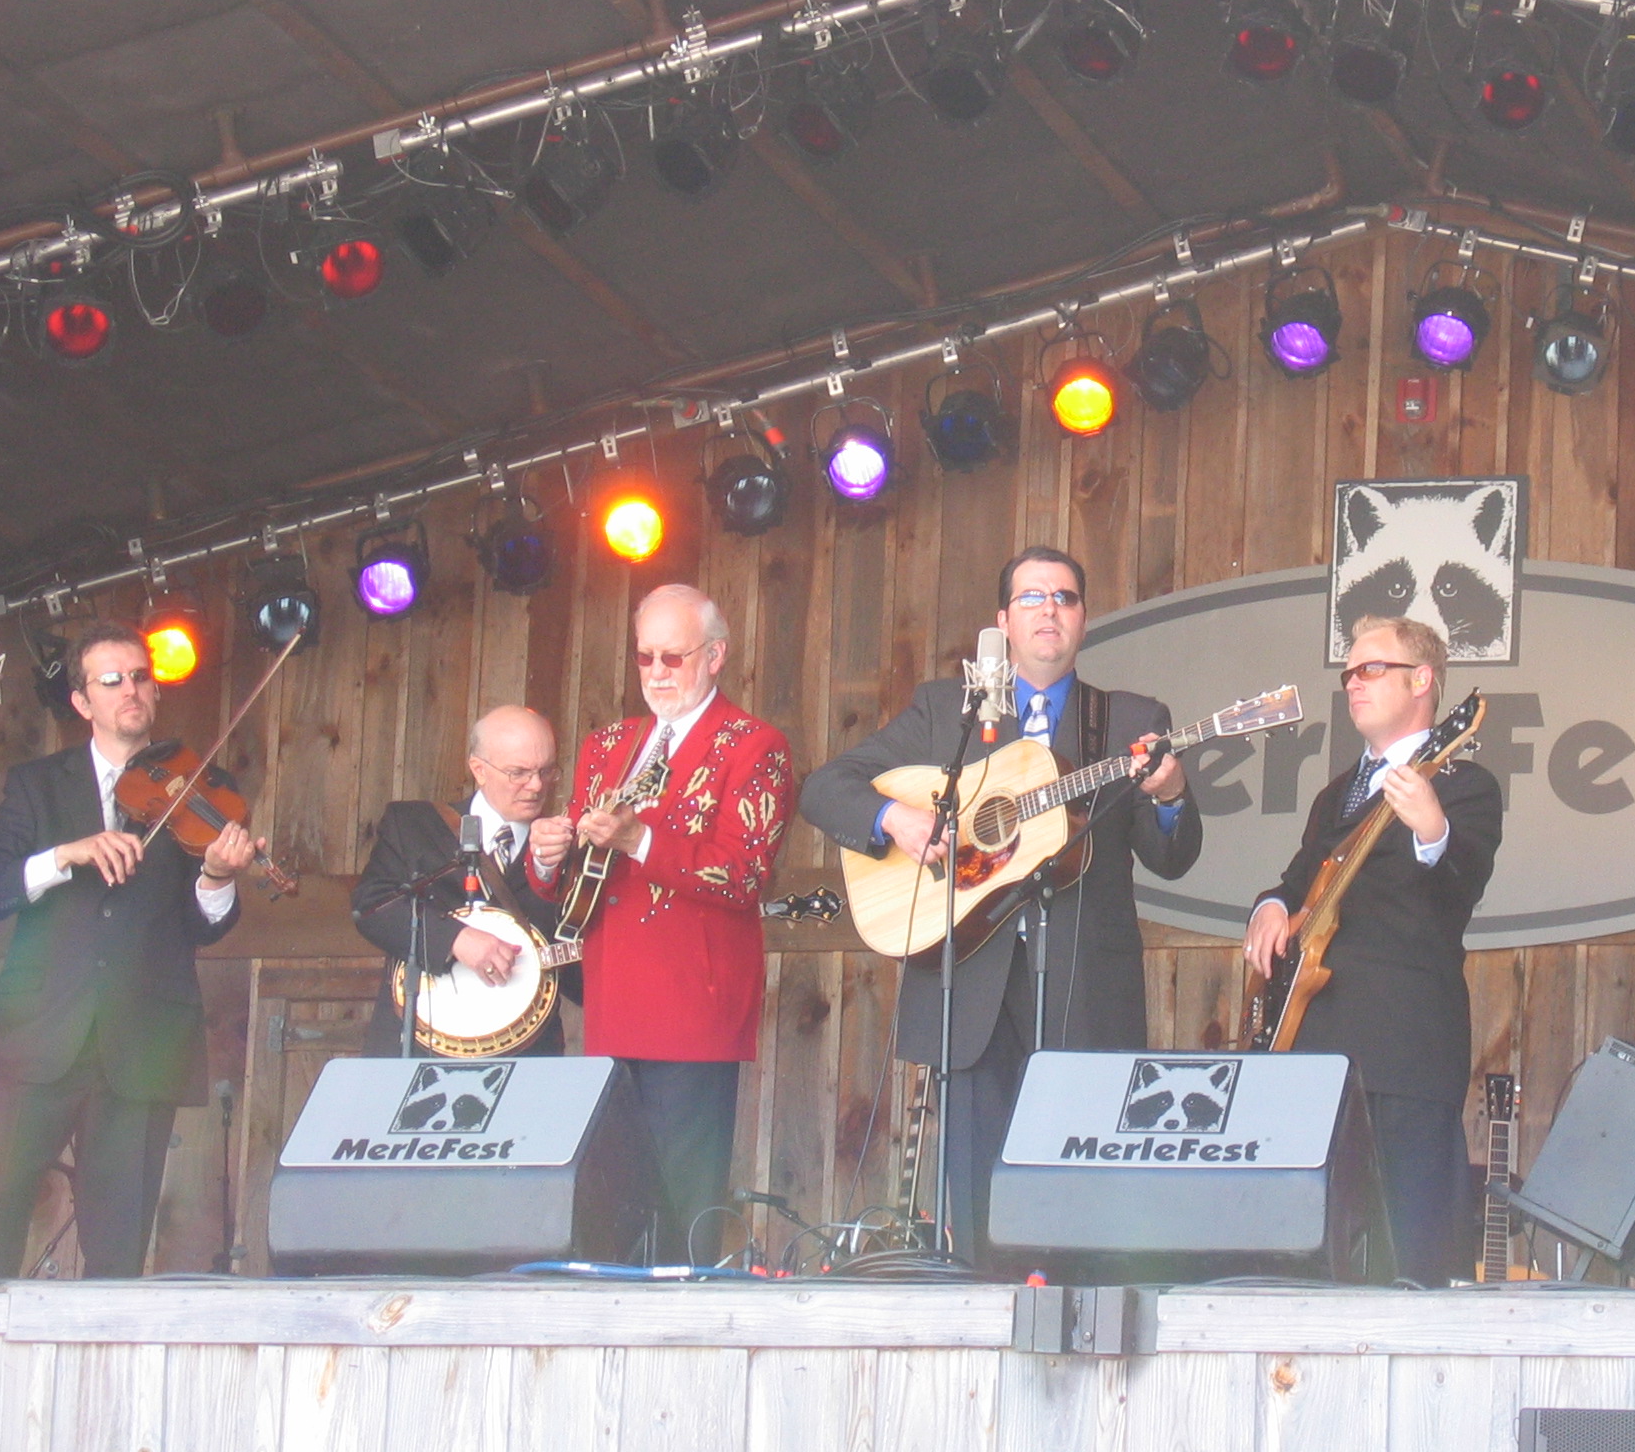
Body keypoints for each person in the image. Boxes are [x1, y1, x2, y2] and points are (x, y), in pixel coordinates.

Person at [799, 546, 1202, 1259]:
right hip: (970, 984)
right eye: (1033, 598)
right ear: (1003, 622)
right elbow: (826, 787)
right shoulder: (944, 712)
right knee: (977, 1210)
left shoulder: (1130, 718)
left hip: (1083, 984)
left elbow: (1171, 856)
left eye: (1066, 598)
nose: (1051, 610)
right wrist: (896, 820)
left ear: (1083, 618)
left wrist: (1170, 798)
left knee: (1081, 1201)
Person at [0, 622, 255, 1278]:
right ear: (81, 701)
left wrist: (217, 876)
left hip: (140, 1043)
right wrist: (66, 854)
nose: (132, 690)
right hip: (37, 1038)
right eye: (113, 680)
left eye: (142, 677)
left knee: (118, 1252)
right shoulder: (37, 785)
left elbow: (204, 925)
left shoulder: (196, 789)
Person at [527, 584, 793, 1263]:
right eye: (645, 657)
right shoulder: (607, 743)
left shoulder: (753, 745)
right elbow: (579, 886)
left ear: (715, 657)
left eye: (672, 657)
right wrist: (547, 857)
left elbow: (743, 872)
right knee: (609, 1207)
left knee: (683, 1213)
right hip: (614, 999)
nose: (656, 673)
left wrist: (639, 840)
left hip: (693, 1008)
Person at [1244, 613, 1502, 1287]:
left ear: (1423, 681)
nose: (1353, 683)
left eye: (1370, 669)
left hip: (1402, 1051)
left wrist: (1433, 832)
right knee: (1311, 1257)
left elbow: (1459, 889)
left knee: (1411, 1258)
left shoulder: (1463, 786)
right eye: (1349, 672)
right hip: (1315, 1051)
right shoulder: (1338, 793)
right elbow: (1300, 879)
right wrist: (1270, 907)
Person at [351, 704, 568, 1057]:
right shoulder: (415, 825)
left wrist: (547, 871)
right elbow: (371, 907)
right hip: (419, 1046)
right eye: (519, 772)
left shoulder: (565, 846)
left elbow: (576, 968)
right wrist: (455, 939)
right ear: (479, 770)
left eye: (547, 771)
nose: (536, 785)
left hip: (526, 1052)